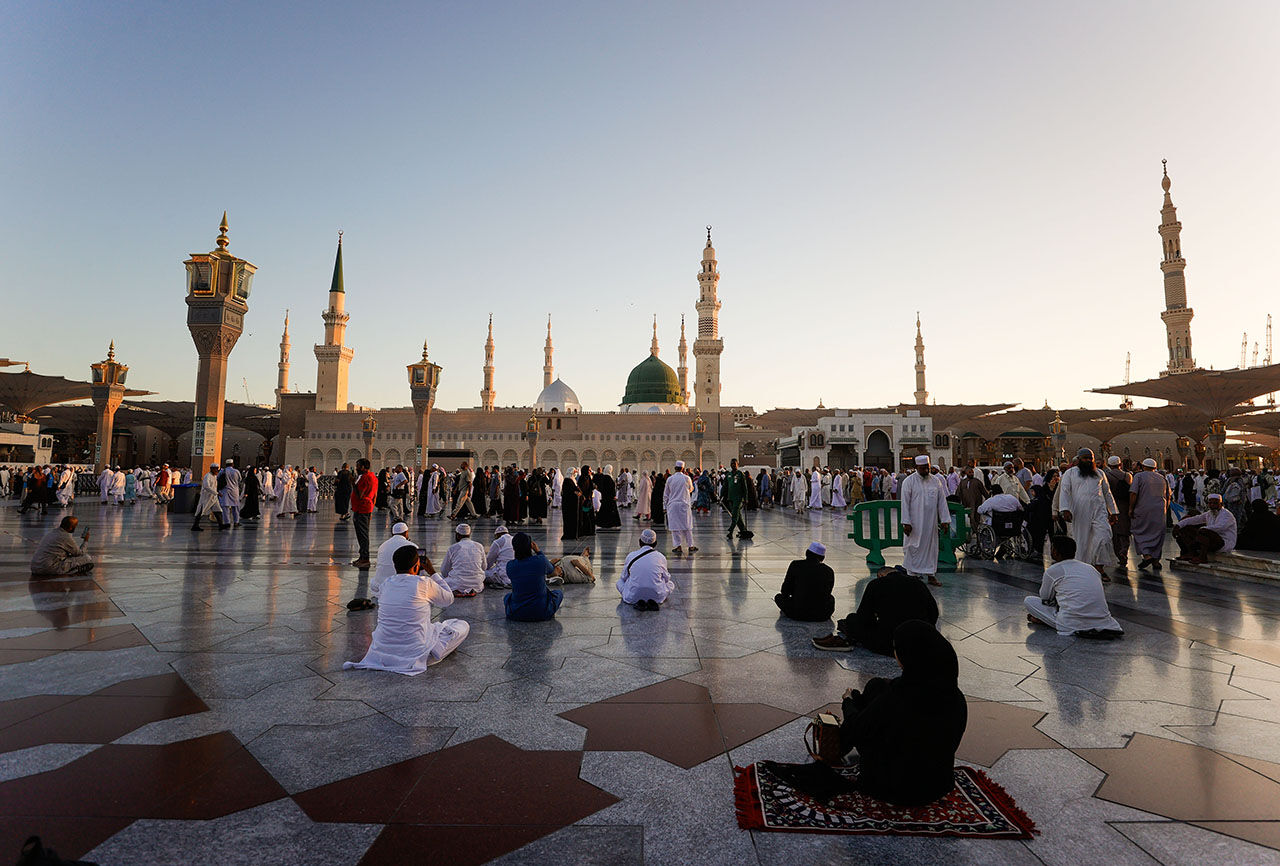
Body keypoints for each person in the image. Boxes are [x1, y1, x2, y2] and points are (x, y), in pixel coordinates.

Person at [836, 620, 967, 807]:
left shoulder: (898, 697)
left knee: (859, 716)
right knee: (876, 686)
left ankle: (839, 745)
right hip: (937, 785)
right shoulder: (955, 697)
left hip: (890, 787)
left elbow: (858, 729)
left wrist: (847, 702)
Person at [343, 545, 469, 675]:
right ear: (416, 566)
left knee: (429, 627)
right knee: (462, 625)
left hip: (382, 653)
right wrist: (432, 572)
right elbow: (448, 599)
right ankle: (433, 652)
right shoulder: (424, 583)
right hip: (417, 655)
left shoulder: (386, 584)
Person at [813, 565, 939, 654]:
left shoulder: (876, 585)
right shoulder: (918, 584)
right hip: (918, 643)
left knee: (851, 619)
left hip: (889, 644)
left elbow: (863, 618)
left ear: (880, 575)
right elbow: (934, 613)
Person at [1025, 536, 1124, 636]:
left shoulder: (1053, 570)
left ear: (1055, 551)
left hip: (1072, 623)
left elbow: (1045, 598)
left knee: (1029, 601)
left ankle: (1046, 620)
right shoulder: (1090, 568)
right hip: (1103, 620)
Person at [1056, 448, 1119, 579]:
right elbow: (1065, 491)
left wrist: (1113, 511)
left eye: (1091, 458)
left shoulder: (1100, 473)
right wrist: (1065, 509)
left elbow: (1107, 493)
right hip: (1079, 511)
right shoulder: (1070, 473)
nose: (1089, 461)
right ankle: (1081, 568)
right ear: (1078, 460)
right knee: (1081, 540)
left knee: (1104, 536)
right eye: (1085, 458)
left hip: (1099, 511)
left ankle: (1099, 566)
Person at [899, 455, 950, 586]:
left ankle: (931, 575)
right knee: (913, 548)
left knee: (931, 548)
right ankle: (912, 575)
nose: (926, 471)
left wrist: (944, 520)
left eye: (927, 468)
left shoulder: (935, 481)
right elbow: (905, 503)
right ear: (916, 468)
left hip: (931, 523)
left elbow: (942, 501)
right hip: (914, 524)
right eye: (922, 469)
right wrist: (906, 522)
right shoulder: (909, 482)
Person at [504, 533, 563, 621]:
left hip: (516, 613)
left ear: (514, 548)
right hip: (542, 612)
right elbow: (551, 570)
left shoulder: (510, 565)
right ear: (530, 546)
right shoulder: (540, 560)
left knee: (507, 597)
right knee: (558, 593)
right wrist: (538, 551)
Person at [774, 541, 835, 621]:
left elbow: (785, 590)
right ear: (822, 558)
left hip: (797, 613)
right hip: (821, 614)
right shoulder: (828, 570)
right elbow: (828, 592)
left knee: (778, 597)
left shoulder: (795, 565)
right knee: (831, 598)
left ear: (807, 553)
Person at [616, 528, 675, 610]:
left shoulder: (631, 555)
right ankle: (652, 598)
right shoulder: (661, 557)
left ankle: (639, 598)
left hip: (632, 597)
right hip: (657, 596)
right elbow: (667, 578)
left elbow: (623, 577)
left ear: (640, 542)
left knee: (619, 582)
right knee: (671, 584)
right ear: (655, 543)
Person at [1129, 458, 1170, 571]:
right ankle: (1156, 560)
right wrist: (1165, 509)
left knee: (1140, 531)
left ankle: (1147, 555)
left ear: (1143, 466)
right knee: (1157, 534)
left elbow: (1133, 493)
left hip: (1143, 509)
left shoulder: (1139, 476)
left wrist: (1131, 508)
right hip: (1159, 510)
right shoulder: (1162, 478)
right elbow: (1168, 496)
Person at [1173, 493, 1237, 563]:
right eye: (1210, 503)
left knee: (1204, 532)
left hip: (1224, 543)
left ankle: (1202, 557)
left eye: (1215, 503)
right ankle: (1190, 553)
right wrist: (1178, 525)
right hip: (1212, 540)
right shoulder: (1209, 513)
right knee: (1184, 528)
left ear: (1221, 504)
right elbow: (1195, 519)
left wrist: (1203, 529)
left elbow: (1220, 527)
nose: (1212, 505)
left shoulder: (1227, 515)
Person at [370, 521, 417, 600]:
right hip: (402, 587)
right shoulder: (412, 546)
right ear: (406, 533)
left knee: (374, 582)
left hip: (380, 586)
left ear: (393, 534)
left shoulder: (383, 545)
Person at [1103, 456, 1133, 573]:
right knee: (1125, 532)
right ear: (1120, 464)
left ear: (1110, 465)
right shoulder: (1127, 475)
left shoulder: (1107, 476)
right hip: (1125, 506)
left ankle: (1119, 555)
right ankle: (1124, 551)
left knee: (1115, 532)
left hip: (1112, 506)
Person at [439, 523, 486, 597]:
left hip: (457, 583)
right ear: (469, 534)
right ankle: (470, 590)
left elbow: (444, 571)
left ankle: (458, 590)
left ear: (458, 535)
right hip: (477, 583)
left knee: (438, 579)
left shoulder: (453, 548)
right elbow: (484, 567)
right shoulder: (479, 546)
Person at [663, 461, 696, 554]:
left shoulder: (670, 479)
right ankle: (690, 546)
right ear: (683, 469)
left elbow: (666, 494)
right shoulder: (686, 478)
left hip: (672, 505)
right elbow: (691, 489)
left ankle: (678, 546)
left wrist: (665, 506)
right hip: (684, 504)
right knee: (687, 526)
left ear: (675, 468)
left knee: (675, 527)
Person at [351, 458, 377, 568]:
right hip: (367, 507)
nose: (356, 468)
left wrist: (353, 483)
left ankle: (365, 559)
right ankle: (362, 557)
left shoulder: (365, 478)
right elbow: (375, 495)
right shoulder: (373, 477)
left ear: (363, 467)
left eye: (357, 466)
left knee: (362, 535)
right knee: (363, 534)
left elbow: (360, 495)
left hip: (361, 509)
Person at [723, 458, 753, 539]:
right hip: (731, 498)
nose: (733, 465)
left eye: (735, 464)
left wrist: (746, 498)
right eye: (732, 464)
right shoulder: (728, 475)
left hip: (739, 498)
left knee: (735, 514)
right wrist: (721, 496)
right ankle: (743, 530)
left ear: (737, 465)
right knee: (737, 516)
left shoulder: (740, 474)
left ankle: (731, 531)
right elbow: (725, 487)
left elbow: (745, 487)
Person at [191, 464, 223, 531]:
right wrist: (216, 493)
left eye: (217, 469)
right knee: (201, 511)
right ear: (211, 469)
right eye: (215, 469)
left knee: (218, 511)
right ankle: (195, 526)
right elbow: (206, 486)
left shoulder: (214, 476)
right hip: (206, 497)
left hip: (213, 497)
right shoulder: (207, 476)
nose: (217, 470)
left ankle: (221, 525)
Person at [218, 459, 243, 529]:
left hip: (224, 491)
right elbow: (240, 480)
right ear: (232, 464)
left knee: (225, 508)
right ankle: (236, 522)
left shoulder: (222, 471)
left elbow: (218, 479)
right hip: (234, 491)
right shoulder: (236, 471)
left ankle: (227, 522)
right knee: (235, 507)